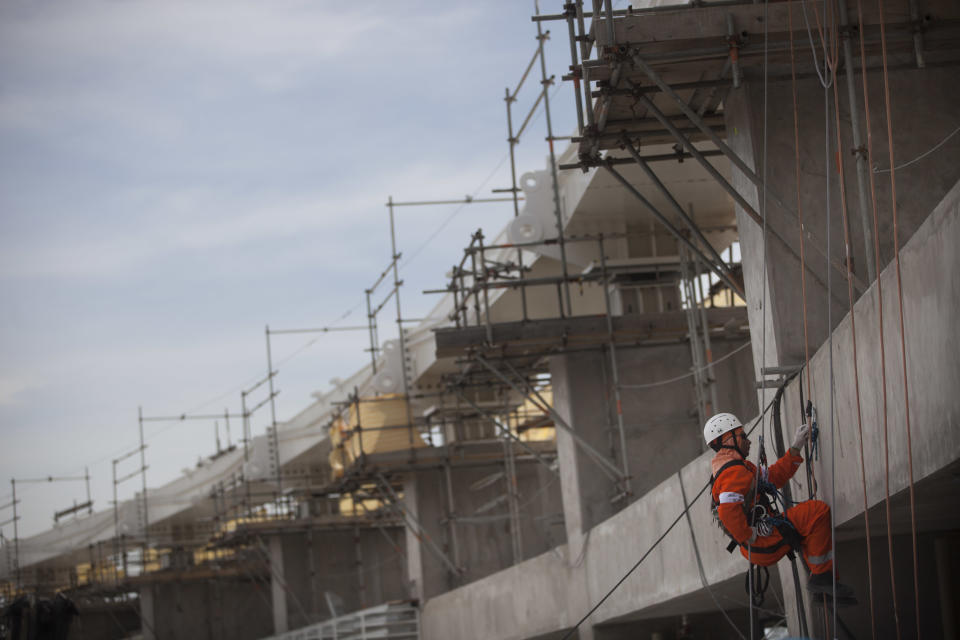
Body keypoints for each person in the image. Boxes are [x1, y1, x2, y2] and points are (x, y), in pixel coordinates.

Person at [704, 412, 853, 598]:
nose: (748, 441)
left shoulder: (740, 468)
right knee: (817, 512)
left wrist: (796, 447)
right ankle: (822, 578)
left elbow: (774, 477)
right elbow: (727, 512)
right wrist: (748, 535)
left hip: (758, 542)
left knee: (806, 523)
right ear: (728, 439)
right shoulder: (733, 472)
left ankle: (821, 581)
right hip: (761, 540)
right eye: (742, 436)